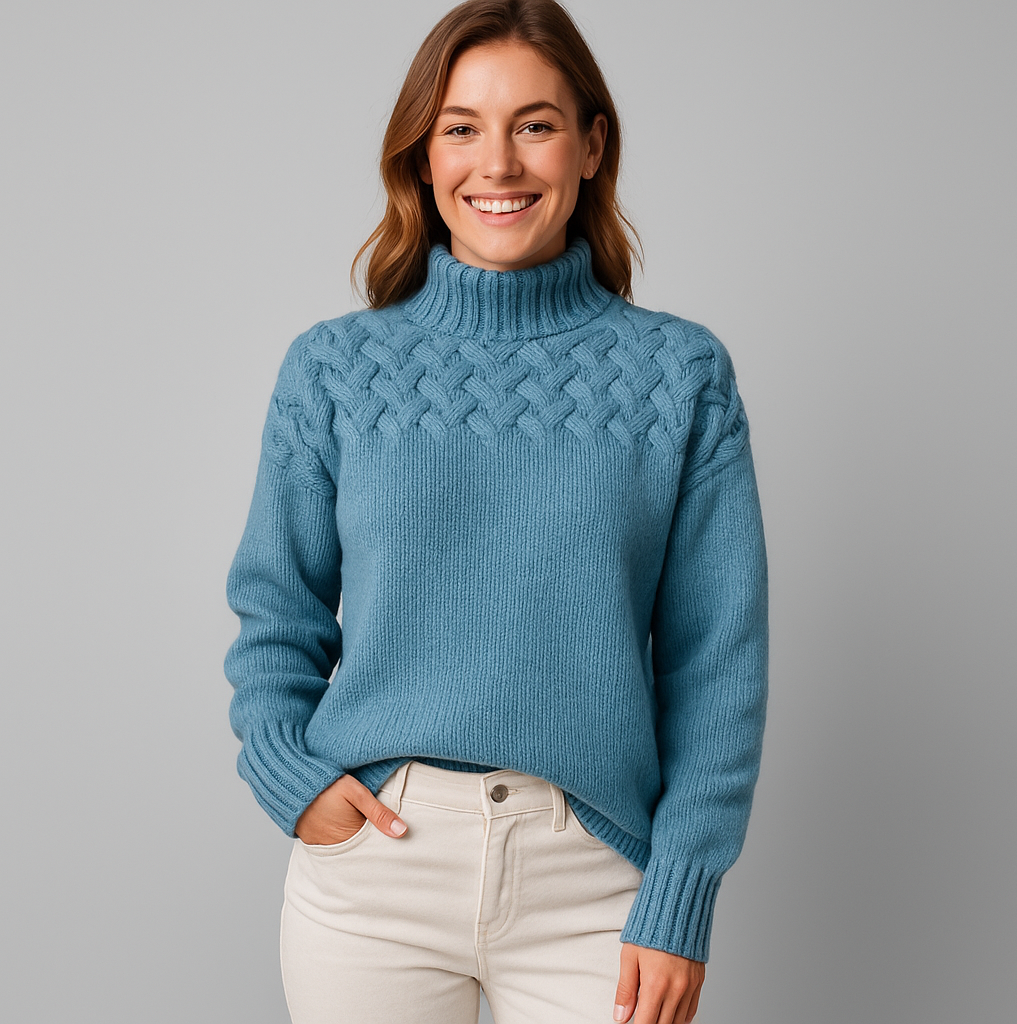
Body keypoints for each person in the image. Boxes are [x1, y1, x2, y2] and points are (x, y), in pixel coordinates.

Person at [223, 1, 769, 1022]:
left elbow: (716, 662)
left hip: (597, 880)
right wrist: (292, 779)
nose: (499, 164)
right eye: (462, 128)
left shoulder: (680, 375)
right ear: (423, 157)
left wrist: (682, 892)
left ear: (591, 146)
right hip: (375, 872)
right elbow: (275, 612)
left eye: (535, 125)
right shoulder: (334, 369)